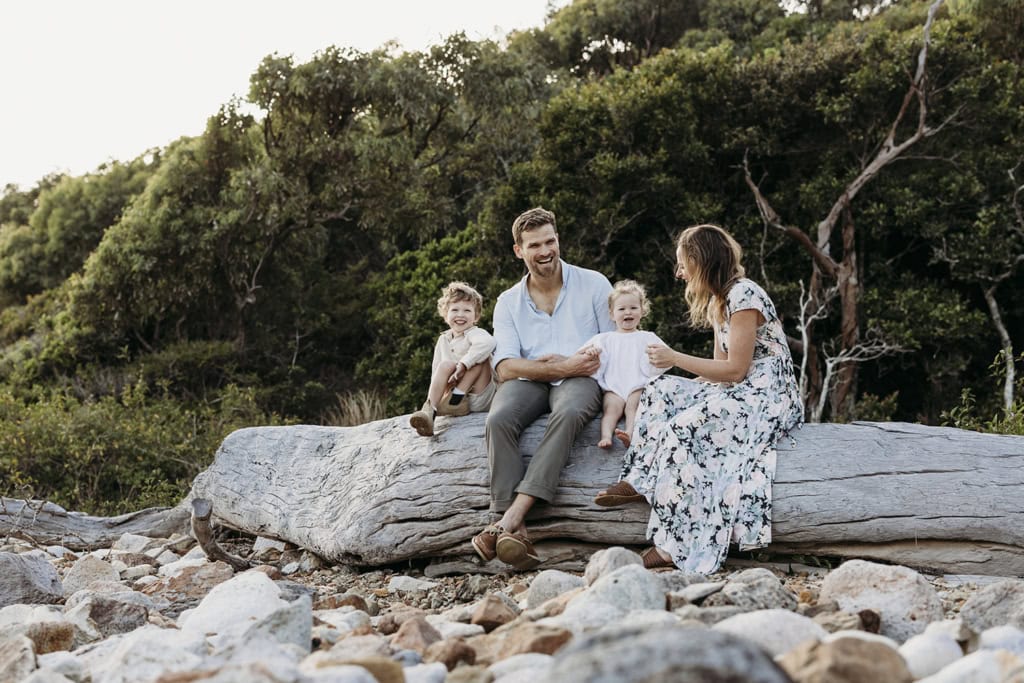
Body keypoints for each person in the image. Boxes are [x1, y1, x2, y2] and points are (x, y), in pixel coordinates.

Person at [595, 224, 803, 573]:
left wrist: (674, 358)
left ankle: (671, 548)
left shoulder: (744, 296)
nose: (678, 272)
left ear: (701, 261)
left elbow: (736, 370)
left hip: (768, 393)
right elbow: (717, 369)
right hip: (739, 386)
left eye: (682, 263)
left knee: (682, 429)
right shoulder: (719, 302)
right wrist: (680, 390)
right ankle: (640, 475)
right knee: (661, 389)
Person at [471, 207, 614, 569]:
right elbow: (504, 366)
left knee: (566, 413)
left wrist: (570, 368)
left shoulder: (594, 284)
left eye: (550, 241)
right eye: (535, 245)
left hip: (583, 377)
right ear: (519, 250)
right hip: (530, 379)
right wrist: (553, 366)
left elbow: (614, 345)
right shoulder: (508, 302)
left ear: (558, 240)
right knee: (498, 418)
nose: (545, 250)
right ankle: (513, 532)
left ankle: (509, 519)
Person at [578, 280, 668, 449]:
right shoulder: (604, 339)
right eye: (622, 309)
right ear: (612, 314)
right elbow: (582, 354)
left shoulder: (647, 337)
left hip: (637, 385)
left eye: (633, 308)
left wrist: (655, 358)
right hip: (614, 387)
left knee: (633, 409)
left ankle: (629, 433)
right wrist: (590, 353)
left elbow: (666, 356)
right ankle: (606, 437)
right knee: (611, 410)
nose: (628, 312)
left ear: (642, 311)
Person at [409, 282, 497, 437]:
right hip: (451, 400)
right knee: (444, 366)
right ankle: (429, 412)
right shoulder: (443, 340)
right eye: (455, 310)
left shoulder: (476, 333)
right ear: (445, 314)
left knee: (479, 358)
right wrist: (439, 392)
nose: (460, 315)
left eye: (467, 310)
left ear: (476, 316)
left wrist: (464, 364)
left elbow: (489, 343)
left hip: (479, 395)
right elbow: (436, 372)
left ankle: (457, 398)